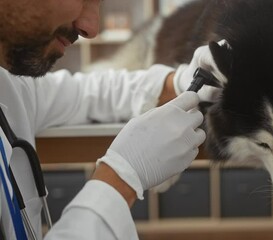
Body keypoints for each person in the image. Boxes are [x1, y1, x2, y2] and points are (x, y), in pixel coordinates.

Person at [0, 0, 225, 239]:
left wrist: (177, 81)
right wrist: (120, 179)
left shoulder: (10, 84)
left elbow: (88, 94)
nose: (91, 28)